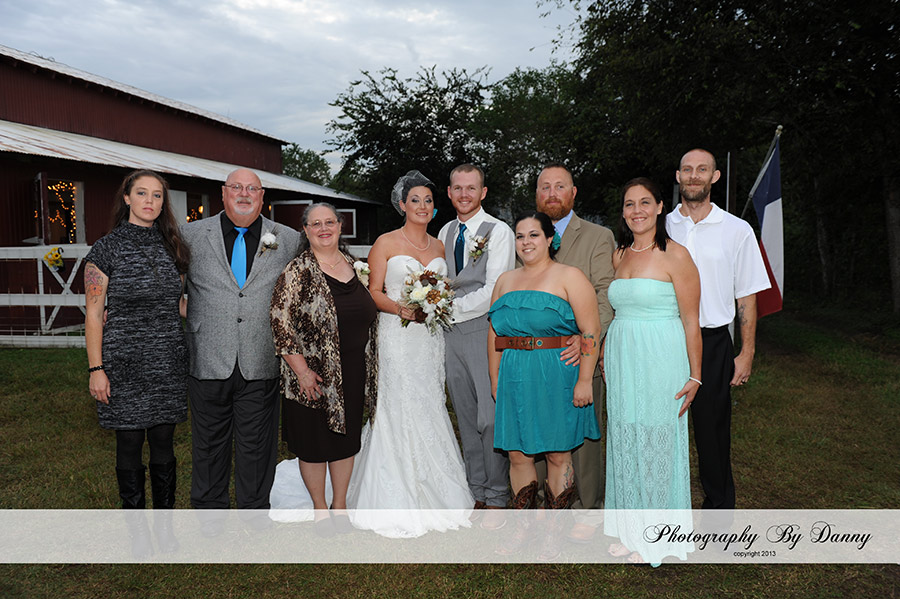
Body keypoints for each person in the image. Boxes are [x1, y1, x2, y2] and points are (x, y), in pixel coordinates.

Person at [346, 170, 473, 537]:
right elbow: (372, 291)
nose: (422, 206)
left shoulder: (440, 247)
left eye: (428, 201)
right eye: (415, 200)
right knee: (398, 404)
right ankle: (394, 491)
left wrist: (435, 304)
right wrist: (403, 309)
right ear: (402, 204)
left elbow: (444, 290)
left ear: (435, 208)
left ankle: (438, 486)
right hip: (396, 337)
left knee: (430, 401)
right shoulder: (385, 242)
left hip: (429, 340)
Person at [181, 168, 301, 511]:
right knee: (208, 444)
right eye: (236, 187)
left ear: (262, 197)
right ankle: (210, 511)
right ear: (223, 193)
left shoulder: (288, 239)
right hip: (208, 354)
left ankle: (254, 512)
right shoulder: (190, 234)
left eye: (252, 188)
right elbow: (166, 286)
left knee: (258, 445)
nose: (244, 194)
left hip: (262, 356)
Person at [84, 169, 190, 555]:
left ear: (163, 203)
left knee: (163, 441)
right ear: (127, 198)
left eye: (157, 195)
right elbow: (93, 314)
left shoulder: (174, 247)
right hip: (123, 362)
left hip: (167, 360)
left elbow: (178, 303)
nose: (150, 201)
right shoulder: (105, 250)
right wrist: (97, 369)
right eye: (142, 193)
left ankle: (164, 529)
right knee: (129, 442)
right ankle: (138, 533)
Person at [488, 211, 602, 559]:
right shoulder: (505, 281)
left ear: (550, 239)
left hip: (556, 374)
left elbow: (591, 330)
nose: (526, 242)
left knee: (557, 453)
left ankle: (554, 530)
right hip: (514, 374)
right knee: (517, 453)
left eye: (534, 235)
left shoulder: (570, 276)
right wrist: (495, 378)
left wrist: (585, 379)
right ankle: (523, 527)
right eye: (520, 236)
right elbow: (494, 334)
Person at [603, 177, 702, 565]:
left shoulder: (677, 255)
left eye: (645, 202)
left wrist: (695, 376)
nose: (637, 211)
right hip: (623, 359)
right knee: (626, 438)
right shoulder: (620, 254)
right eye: (629, 204)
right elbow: (618, 312)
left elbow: (691, 321)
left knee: (656, 441)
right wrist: (605, 353)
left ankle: (657, 538)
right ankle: (631, 531)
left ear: (661, 207)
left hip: (661, 357)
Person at [666, 148, 770, 510]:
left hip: (712, 342)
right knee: (661, 426)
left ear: (715, 177)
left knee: (711, 433)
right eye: (687, 169)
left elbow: (747, 296)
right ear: (678, 176)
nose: (694, 175)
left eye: (702, 169)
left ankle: (718, 513)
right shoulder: (661, 226)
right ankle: (662, 504)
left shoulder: (737, 230)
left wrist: (747, 351)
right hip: (665, 339)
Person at [269, 203, 377, 535]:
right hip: (311, 375)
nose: (323, 228)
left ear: (341, 226)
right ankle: (320, 508)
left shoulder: (357, 266)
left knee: (346, 442)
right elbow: (279, 322)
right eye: (315, 224)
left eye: (329, 222)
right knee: (314, 445)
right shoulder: (297, 270)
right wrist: (301, 371)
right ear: (305, 230)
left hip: (353, 370)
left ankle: (339, 506)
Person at [534, 163, 616, 541]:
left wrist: (585, 337)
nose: (552, 193)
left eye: (560, 186)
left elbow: (604, 293)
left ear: (573, 192)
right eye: (545, 187)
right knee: (538, 427)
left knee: (582, 433)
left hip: (578, 352)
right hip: (536, 354)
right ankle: (542, 500)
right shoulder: (528, 234)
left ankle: (587, 507)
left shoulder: (598, 236)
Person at [438, 164, 515, 527]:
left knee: (489, 417)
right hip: (449, 335)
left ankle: (498, 495)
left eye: (471, 188)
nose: (464, 194)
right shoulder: (445, 231)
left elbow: (494, 289)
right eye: (458, 188)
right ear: (449, 192)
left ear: (483, 192)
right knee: (466, 415)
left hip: (484, 329)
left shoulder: (499, 231)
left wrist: (445, 309)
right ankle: (477, 490)